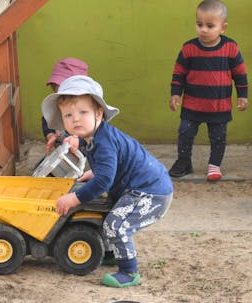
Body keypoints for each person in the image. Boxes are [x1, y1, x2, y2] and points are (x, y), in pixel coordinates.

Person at [42, 75, 173, 288]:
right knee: (107, 209)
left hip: (151, 192)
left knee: (116, 222)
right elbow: (110, 164)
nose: (75, 119)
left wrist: (74, 198)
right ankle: (114, 252)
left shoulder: (104, 141)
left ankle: (129, 272)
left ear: (99, 113)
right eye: (68, 115)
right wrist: (94, 171)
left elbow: (104, 181)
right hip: (137, 187)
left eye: (83, 112)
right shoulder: (94, 138)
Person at [168, 0, 249, 181]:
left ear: (223, 27)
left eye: (210, 25)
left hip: (218, 106)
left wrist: (242, 96)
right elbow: (179, 73)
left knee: (218, 137)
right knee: (185, 133)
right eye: (199, 24)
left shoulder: (230, 48)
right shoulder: (188, 49)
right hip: (192, 105)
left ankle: (214, 165)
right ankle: (183, 161)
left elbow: (240, 74)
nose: (203, 29)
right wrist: (175, 93)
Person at [41, 57, 89, 153]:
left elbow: (96, 137)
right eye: (56, 90)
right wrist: (50, 135)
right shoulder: (58, 104)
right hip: (63, 151)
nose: (61, 96)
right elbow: (46, 120)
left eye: (66, 91)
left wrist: (78, 141)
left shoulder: (89, 111)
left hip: (87, 155)